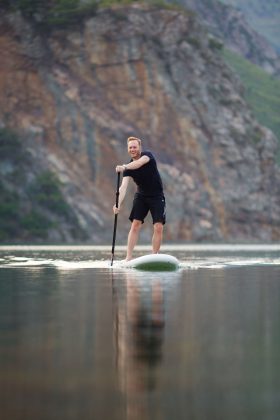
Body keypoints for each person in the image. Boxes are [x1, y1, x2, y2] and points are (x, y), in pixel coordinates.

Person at [113, 136, 166, 261]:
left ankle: (155, 256)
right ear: (128, 149)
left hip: (157, 196)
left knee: (158, 226)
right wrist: (117, 204)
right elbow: (123, 188)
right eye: (130, 147)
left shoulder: (147, 156)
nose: (133, 149)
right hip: (141, 196)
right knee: (135, 224)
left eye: (135, 147)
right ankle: (128, 258)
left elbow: (139, 163)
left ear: (139, 147)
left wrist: (125, 166)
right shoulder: (128, 169)